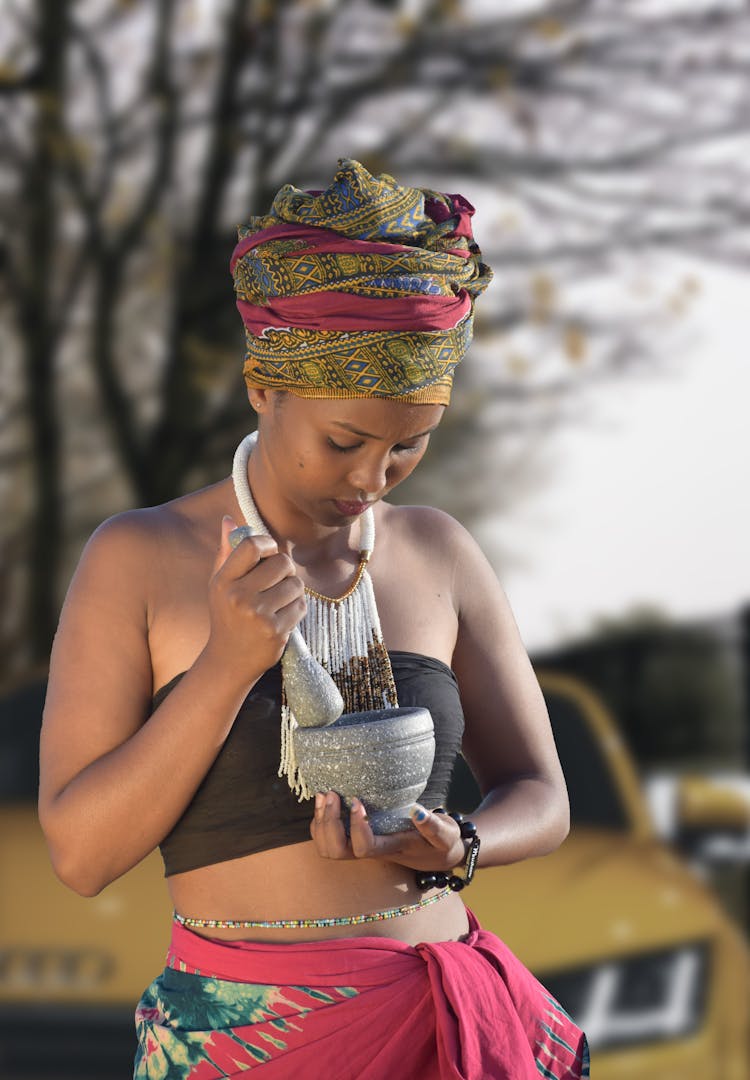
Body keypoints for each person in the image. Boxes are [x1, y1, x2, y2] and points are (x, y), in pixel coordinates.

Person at [39, 159, 589, 1079]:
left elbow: (546, 797)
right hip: (247, 1044)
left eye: (409, 445)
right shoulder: (139, 557)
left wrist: (462, 843)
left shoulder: (437, 552)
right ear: (265, 387)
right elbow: (83, 855)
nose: (371, 479)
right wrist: (226, 665)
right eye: (344, 442)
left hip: (448, 1027)